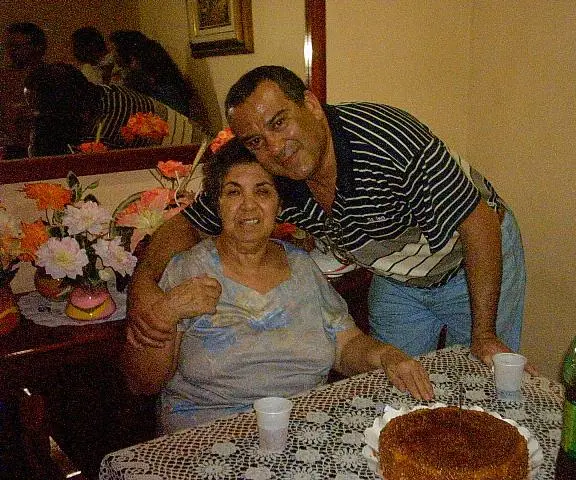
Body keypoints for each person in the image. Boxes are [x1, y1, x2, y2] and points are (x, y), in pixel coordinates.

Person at [128, 65, 536, 374]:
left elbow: (478, 224)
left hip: (471, 258)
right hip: (397, 276)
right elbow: (188, 223)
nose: (275, 147)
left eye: (279, 122)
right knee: (395, 383)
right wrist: (143, 283)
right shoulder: (271, 170)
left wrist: (485, 334)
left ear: (310, 105)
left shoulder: (387, 140)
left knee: (478, 378)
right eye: (256, 140)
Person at [120, 137, 433, 432]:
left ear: (279, 206)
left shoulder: (303, 267)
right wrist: (166, 312)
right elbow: (142, 383)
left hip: (303, 429)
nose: (248, 206)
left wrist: (386, 356)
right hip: (210, 435)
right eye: (233, 192)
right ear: (217, 204)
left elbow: (346, 346)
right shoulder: (187, 269)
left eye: (262, 191)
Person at [23, 63, 208, 157]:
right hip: (198, 153)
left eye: (37, 109)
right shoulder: (106, 93)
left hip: (197, 166)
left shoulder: (105, 130)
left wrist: (38, 136)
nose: (32, 115)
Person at [108, 31, 208, 125]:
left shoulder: (160, 85)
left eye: (113, 49)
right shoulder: (130, 74)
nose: (111, 54)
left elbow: (173, 117)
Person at [0, 22, 46, 159]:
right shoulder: (4, 77)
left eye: (17, 46)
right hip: (8, 148)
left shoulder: (51, 76)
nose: (12, 51)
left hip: (43, 147)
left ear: (38, 47)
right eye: (9, 46)